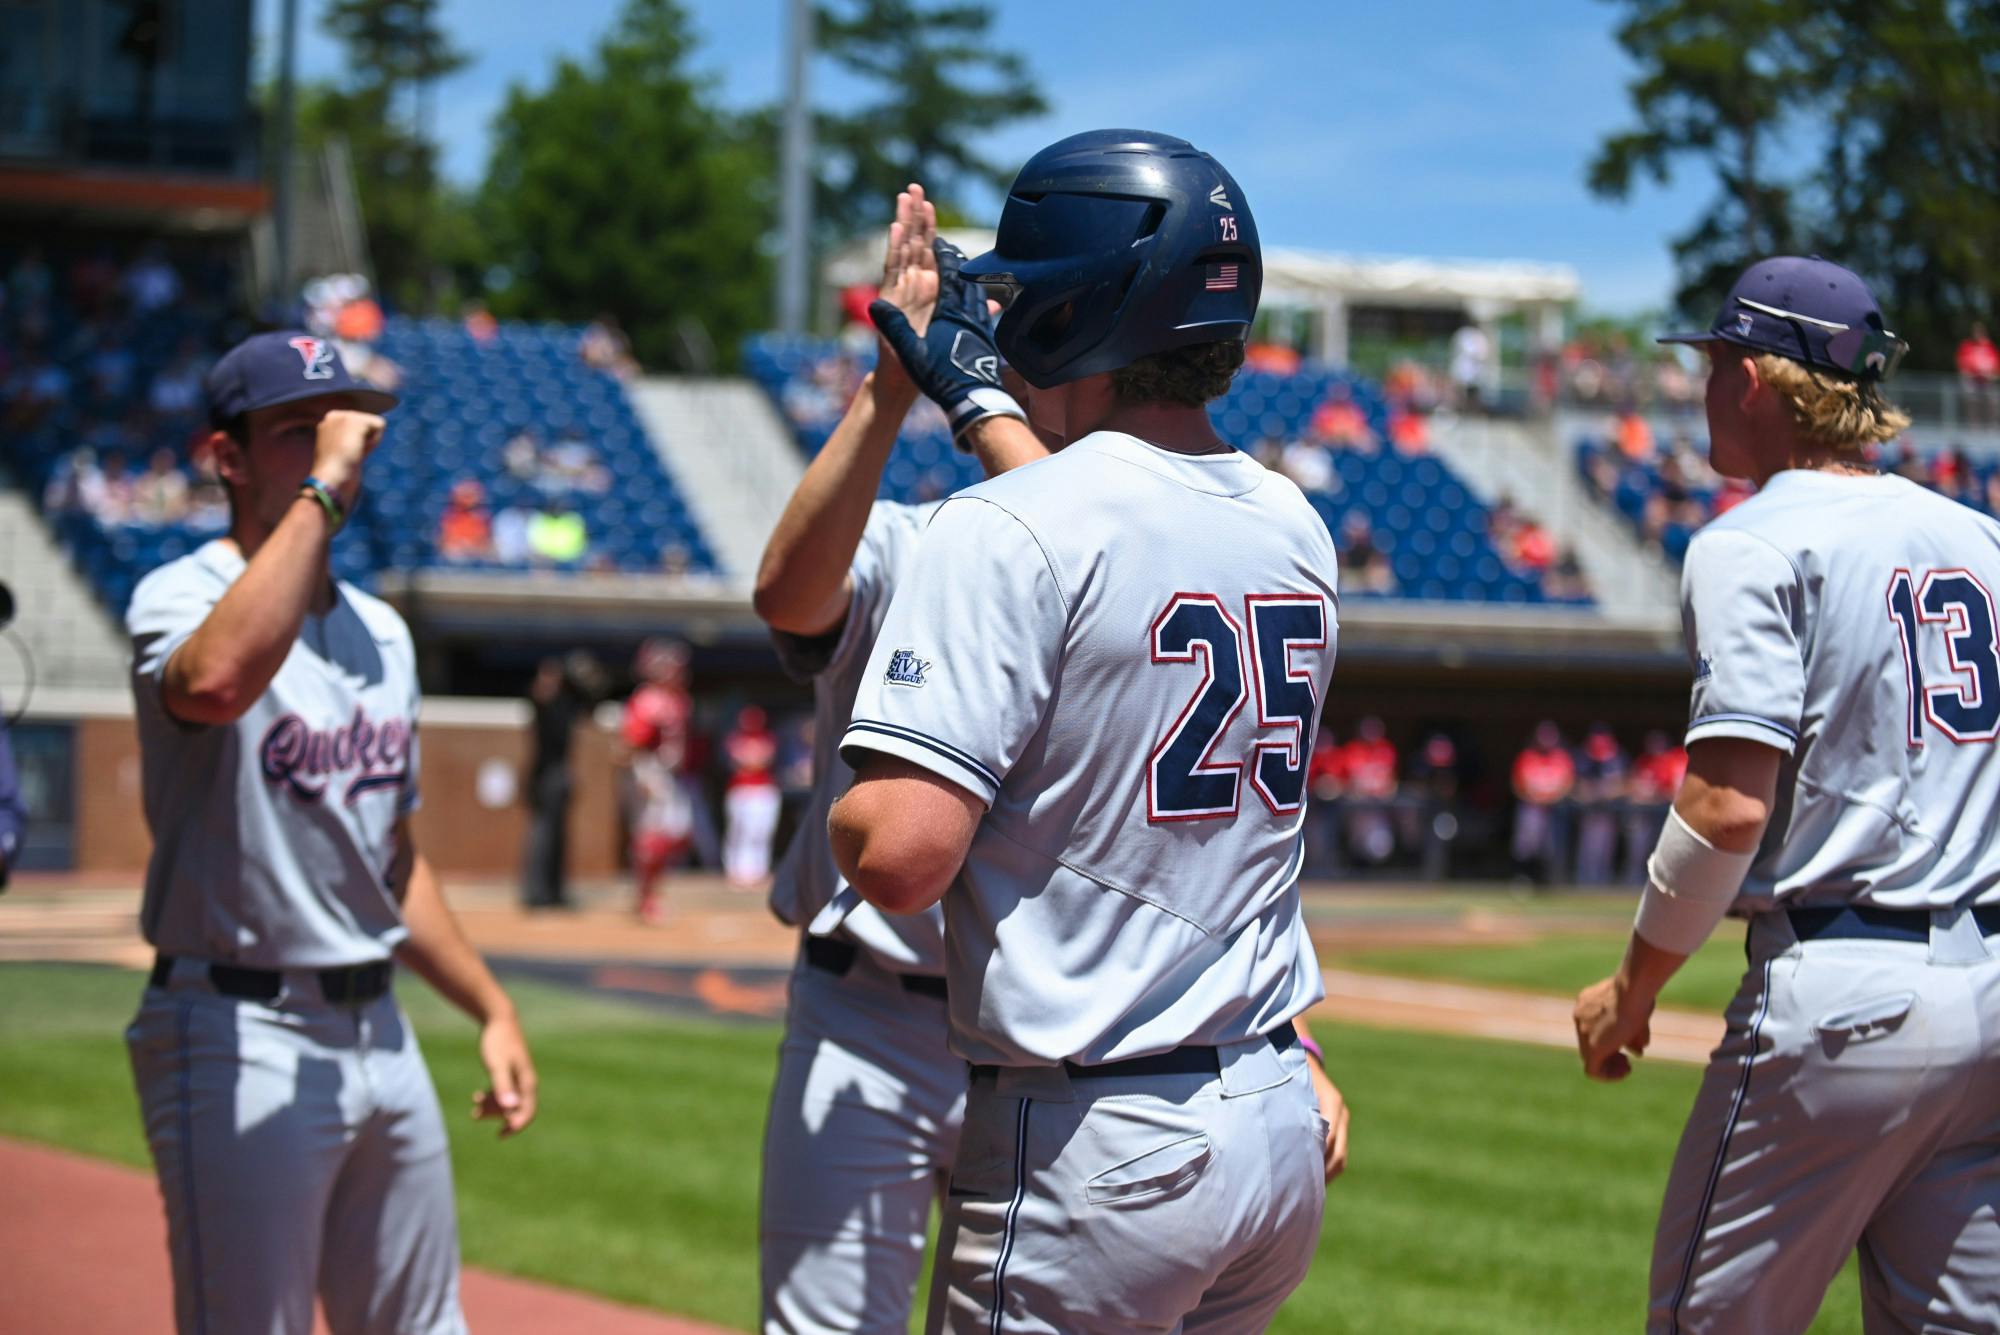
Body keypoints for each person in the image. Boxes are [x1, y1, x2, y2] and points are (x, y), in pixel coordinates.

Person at [830, 129, 1348, 1334]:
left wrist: (851, 796)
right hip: (1271, 1110)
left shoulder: (999, 527)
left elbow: (899, 855)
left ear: (1090, 304)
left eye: (1031, 284)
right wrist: (985, 413)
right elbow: (1112, 522)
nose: (1012, 304)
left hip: (1095, 1139)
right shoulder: (1295, 523)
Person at [1573, 256, 2000, 1333]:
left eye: (1713, 364)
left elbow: (1725, 807)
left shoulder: (1751, 538)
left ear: (1755, 379)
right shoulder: (1979, 539)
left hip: (1844, 994)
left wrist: (1632, 988)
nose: (1702, 387)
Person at [122, 331, 537, 1335]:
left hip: (377, 1026)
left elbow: (387, 856)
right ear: (224, 457)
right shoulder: (177, 596)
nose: (328, 450)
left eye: (337, 426)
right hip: (236, 1025)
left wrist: (489, 1007)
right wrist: (326, 486)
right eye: (293, 433)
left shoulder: (380, 631)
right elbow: (217, 683)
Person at [749, 183, 1050, 1335]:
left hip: (1037, 1034)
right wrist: (889, 386)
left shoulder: (1114, 561)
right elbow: (787, 593)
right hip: (868, 1012)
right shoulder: (912, 535)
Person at [520, 651, 602, 910]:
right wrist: (546, 679)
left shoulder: (567, 703)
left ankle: (554, 892)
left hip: (561, 773)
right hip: (544, 774)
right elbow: (537, 696)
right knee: (542, 835)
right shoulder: (543, 704)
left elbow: (592, 704)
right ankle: (537, 893)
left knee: (559, 837)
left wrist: (587, 676)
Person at [622, 639, 693, 924]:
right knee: (652, 836)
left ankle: (650, 893)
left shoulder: (678, 699)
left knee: (677, 832)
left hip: (671, 773)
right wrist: (642, 776)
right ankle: (645, 897)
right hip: (650, 770)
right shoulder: (646, 699)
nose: (677, 672)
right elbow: (632, 743)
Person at [721, 705, 782, 888]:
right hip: (741, 789)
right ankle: (735, 871)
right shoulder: (734, 739)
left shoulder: (769, 738)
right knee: (739, 832)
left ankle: (758, 871)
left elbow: (762, 760)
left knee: (761, 832)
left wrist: (753, 759)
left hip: (764, 789)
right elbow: (743, 761)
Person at [1511, 720, 1575, 883]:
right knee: (1526, 845)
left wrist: (1551, 799)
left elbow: (1568, 783)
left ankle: (1547, 881)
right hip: (1531, 807)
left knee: (1549, 847)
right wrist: (1533, 798)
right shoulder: (1528, 756)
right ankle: (1523, 877)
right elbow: (1517, 783)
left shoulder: (1561, 757)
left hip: (1554, 809)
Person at [1571, 724, 1627, 885]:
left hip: (1609, 810)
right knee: (1587, 847)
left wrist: (1607, 790)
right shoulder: (1583, 756)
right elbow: (1575, 784)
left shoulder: (1617, 757)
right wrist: (1590, 791)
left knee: (1605, 848)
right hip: (1588, 810)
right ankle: (1584, 880)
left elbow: (1625, 783)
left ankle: (1602, 881)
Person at [1957, 321, 1998, 429]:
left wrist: (1990, 375)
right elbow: (1963, 366)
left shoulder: (1989, 347)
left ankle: (1991, 426)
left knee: (1993, 399)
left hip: (1986, 381)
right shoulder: (1967, 346)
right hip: (1972, 380)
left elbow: (1995, 367)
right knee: (1971, 396)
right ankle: (1974, 426)